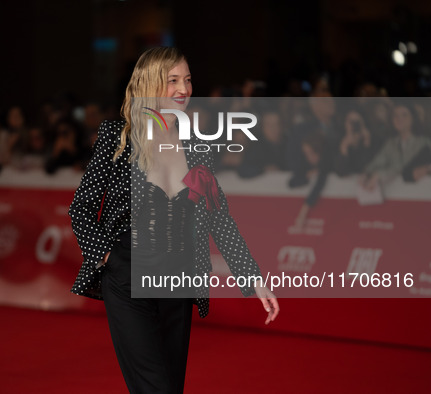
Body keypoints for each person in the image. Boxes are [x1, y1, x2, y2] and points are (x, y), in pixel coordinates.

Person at [68, 47, 279, 393]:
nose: (184, 89)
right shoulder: (117, 135)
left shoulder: (196, 143)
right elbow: (81, 208)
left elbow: (218, 216)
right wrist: (109, 259)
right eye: (173, 81)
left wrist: (252, 277)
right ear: (151, 84)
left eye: (188, 79)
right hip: (127, 274)